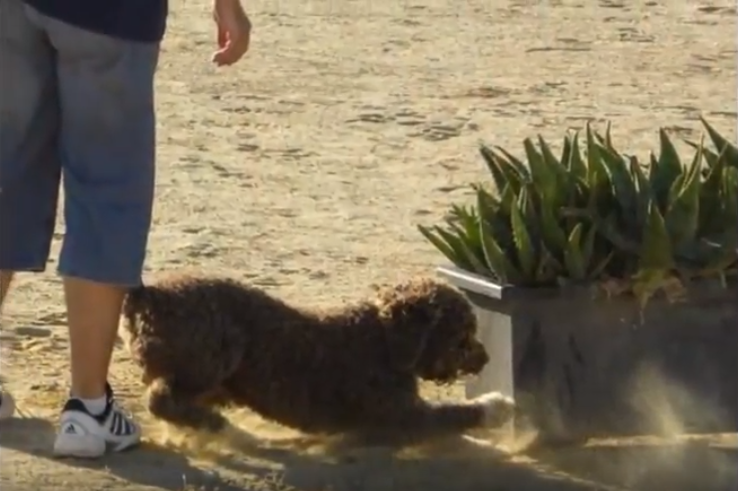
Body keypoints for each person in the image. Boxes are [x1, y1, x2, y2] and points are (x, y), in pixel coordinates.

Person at [0, 0, 251, 458]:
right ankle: (88, 408)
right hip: (110, 17)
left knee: (7, 178)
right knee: (107, 192)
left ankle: (88, 409)